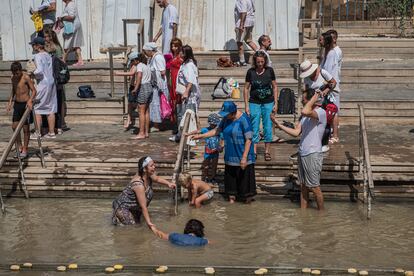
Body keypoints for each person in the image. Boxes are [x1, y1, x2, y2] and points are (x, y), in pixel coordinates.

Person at [271, 88, 326, 210]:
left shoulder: (320, 112)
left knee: (315, 187)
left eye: (304, 100)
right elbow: (296, 133)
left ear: (312, 100)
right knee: (303, 186)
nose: (302, 103)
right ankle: (303, 213)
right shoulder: (304, 116)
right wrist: (278, 124)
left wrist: (314, 98)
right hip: (302, 152)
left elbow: (306, 110)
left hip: (313, 153)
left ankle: (322, 215)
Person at [190, 101, 256, 204]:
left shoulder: (244, 119)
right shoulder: (226, 119)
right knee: (231, 188)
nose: (225, 116)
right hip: (230, 157)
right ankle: (231, 207)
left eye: (227, 114)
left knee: (245, 189)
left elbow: (249, 139)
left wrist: (244, 157)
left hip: (243, 156)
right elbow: (216, 131)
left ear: (233, 112)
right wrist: (200, 136)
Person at [112, 156, 176, 228]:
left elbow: (157, 179)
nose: (154, 167)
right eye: (151, 166)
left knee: (139, 225)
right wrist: (149, 223)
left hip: (134, 208)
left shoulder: (149, 175)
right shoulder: (138, 184)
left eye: (154, 165)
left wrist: (168, 183)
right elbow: (143, 207)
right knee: (133, 229)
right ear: (145, 169)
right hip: (123, 207)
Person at [244, 51, 278, 161]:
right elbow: (245, 88)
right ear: (255, 61)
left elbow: (275, 87)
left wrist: (276, 103)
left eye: (262, 62)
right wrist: (246, 106)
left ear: (265, 61)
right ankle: (253, 151)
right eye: (258, 62)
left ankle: (267, 151)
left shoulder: (269, 71)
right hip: (254, 102)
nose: (260, 64)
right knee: (254, 125)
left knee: (268, 126)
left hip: (268, 101)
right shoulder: (250, 72)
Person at [300, 59, 337, 153]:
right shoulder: (306, 78)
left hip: (325, 101)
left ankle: (324, 142)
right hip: (314, 102)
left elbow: (333, 82)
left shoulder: (322, 72)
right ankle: (316, 141)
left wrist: (325, 92)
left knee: (326, 121)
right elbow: (307, 90)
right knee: (315, 122)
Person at [6, 62, 37, 159]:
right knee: (14, 127)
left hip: (25, 105)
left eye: (17, 73)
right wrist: (10, 102)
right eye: (14, 73)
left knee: (25, 129)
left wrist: (30, 101)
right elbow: (14, 90)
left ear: (21, 70)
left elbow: (34, 91)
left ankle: (25, 149)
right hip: (17, 104)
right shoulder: (13, 78)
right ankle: (19, 146)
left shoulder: (26, 77)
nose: (16, 75)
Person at [171, 44, 201, 142]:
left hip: (190, 94)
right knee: (185, 114)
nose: (179, 53)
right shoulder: (185, 63)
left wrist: (186, 92)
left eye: (181, 52)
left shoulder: (189, 65)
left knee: (190, 115)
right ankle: (183, 135)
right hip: (186, 93)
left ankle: (192, 136)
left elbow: (191, 81)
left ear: (186, 54)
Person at [30, 36, 57, 139]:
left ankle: (38, 132)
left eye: (33, 45)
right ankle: (51, 132)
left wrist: (31, 72)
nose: (32, 47)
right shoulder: (48, 55)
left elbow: (40, 71)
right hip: (51, 82)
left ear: (37, 46)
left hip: (42, 83)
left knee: (37, 108)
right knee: (51, 107)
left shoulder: (38, 56)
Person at [44, 29, 67, 135]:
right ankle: (59, 125)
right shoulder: (57, 47)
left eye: (46, 37)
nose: (45, 39)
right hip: (57, 79)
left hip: (55, 79)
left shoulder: (54, 48)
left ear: (50, 37)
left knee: (56, 102)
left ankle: (57, 126)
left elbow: (58, 63)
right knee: (58, 102)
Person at [321, 30, 342, 144]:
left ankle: (335, 135)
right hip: (328, 85)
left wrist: (328, 87)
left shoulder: (333, 53)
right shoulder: (328, 52)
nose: (320, 41)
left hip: (331, 86)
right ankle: (330, 133)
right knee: (329, 109)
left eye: (322, 40)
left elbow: (329, 72)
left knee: (333, 110)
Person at [143, 42, 169, 132]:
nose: (145, 53)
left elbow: (162, 71)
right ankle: (156, 123)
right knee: (154, 104)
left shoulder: (158, 57)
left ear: (150, 50)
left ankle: (157, 125)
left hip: (158, 86)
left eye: (145, 51)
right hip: (154, 84)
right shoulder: (152, 58)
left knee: (157, 104)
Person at [115, 52, 141, 130]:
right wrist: (128, 52)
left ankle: (140, 121)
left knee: (139, 105)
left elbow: (132, 73)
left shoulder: (137, 66)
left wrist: (119, 73)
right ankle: (129, 120)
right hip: (132, 86)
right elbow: (125, 61)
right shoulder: (132, 65)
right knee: (129, 104)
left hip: (137, 87)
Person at [131, 53, 153, 140]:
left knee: (141, 111)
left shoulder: (139, 65)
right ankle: (146, 132)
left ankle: (141, 133)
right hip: (149, 87)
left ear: (136, 60)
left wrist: (135, 89)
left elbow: (139, 76)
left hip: (143, 87)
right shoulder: (146, 66)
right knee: (146, 111)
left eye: (132, 61)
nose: (132, 63)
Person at [59, 0, 84, 66]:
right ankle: (80, 61)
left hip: (72, 27)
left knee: (67, 44)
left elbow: (71, 17)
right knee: (76, 44)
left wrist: (62, 18)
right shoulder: (70, 4)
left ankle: (63, 61)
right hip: (74, 25)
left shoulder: (70, 4)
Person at [199, 113, 223, 183]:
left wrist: (221, 147)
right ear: (210, 123)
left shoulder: (218, 131)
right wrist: (189, 134)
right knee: (206, 166)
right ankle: (204, 178)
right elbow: (198, 131)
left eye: (215, 124)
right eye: (213, 124)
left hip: (216, 151)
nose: (214, 125)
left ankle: (212, 177)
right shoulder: (205, 130)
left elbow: (222, 139)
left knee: (214, 166)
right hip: (207, 152)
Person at [234, 0, 258, 66]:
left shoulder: (242, 0)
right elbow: (254, 10)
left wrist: (241, 25)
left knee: (239, 42)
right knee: (249, 41)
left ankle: (242, 61)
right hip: (250, 21)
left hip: (244, 23)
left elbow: (243, 12)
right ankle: (262, 54)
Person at [167, 38, 183, 129]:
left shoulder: (181, 55)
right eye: (172, 46)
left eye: (175, 46)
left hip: (179, 80)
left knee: (179, 101)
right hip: (172, 80)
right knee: (174, 101)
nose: (173, 48)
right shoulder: (172, 56)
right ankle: (176, 124)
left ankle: (180, 125)